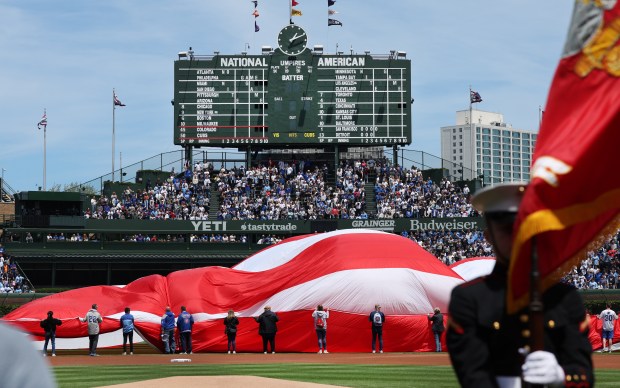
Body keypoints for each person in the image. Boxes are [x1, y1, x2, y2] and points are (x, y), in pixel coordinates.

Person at [447, 182, 593, 387]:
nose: (520, 237)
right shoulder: (469, 299)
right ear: (489, 237)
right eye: (509, 230)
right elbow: (473, 376)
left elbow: (584, 374)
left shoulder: (566, 298)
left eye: (528, 229)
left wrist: (561, 375)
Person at [0, 322, 56, 387]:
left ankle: (47, 352)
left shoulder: (11, 337)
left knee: (47, 343)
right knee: (52, 343)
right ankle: (52, 352)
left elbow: (42, 325)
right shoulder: (13, 338)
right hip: (51, 332)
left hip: (48, 332)